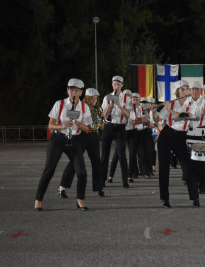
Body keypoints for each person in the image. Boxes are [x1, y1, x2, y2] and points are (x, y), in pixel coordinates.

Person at [34, 79, 92, 211]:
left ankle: (80, 200)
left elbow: (87, 129)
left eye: (77, 90)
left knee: (82, 172)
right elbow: (50, 125)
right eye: (71, 89)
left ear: (81, 92)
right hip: (58, 140)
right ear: (67, 90)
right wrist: (62, 125)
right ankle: (38, 200)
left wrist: (77, 123)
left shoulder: (84, 107)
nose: (73, 92)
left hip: (75, 140)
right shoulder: (59, 104)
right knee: (49, 170)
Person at [152, 80, 197, 208]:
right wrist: (154, 111)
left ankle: (195, 197)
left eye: (187, 89)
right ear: (178, 92)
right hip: (166, 135)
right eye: (182, 89)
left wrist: (170, 110)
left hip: (180, 137)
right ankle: (165, 199)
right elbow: (157, 120)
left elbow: (183, 116)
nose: (186, 91)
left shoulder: (192, 104)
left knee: (188, 167)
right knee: (164, 168)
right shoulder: (172, 104)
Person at [58, 87, 105, 198]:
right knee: (74, 163)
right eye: (92, 99)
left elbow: (102, 127)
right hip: (81, 135)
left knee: (97, 162)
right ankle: (62, 187)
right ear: (87, 98)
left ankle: (99, 188)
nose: (94, 101)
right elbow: (73, 121)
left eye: (96, 99)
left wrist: (103, 117)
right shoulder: (81, 108)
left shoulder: (98, 109)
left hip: (93, 136)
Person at [100, 76, 132, 188]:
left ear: (122, 85)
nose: (116, 86)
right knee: (104, 154)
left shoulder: (126, 98)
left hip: (120, 127)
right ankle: (102, 180)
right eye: (114, 84)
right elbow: (103, 115)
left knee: (122, 155)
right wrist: (108, 108)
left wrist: (119, 106)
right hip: (109, 126)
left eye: (118, 84)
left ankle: (125, 181)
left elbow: (128, 115)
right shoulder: (107, 97)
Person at [109, 91, 143, 183]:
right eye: (127, 96)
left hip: (132, 131)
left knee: (132, 154)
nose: (128, 98)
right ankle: (110, 175)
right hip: (122, 131)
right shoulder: (120, 105)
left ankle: (129, 175)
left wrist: (135, 122)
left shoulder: (137, 107)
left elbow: (141, 120)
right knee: (117, 154)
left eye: (129, 96)